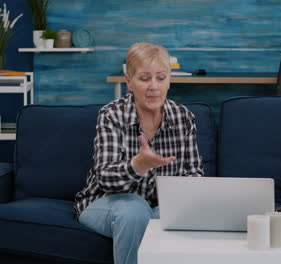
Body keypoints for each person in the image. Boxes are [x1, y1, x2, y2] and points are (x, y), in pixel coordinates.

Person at [74, 43, 204, 264]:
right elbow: (105, 179)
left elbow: (195, 176)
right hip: (104, 201)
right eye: (144, 79)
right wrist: (137, 166)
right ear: (129, 82)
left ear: (169, 80)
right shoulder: (111, 115)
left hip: (155, 207)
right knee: (135, 211)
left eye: (161, 78)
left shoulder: (184, 118)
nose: (154, 86)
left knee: (162, 216)